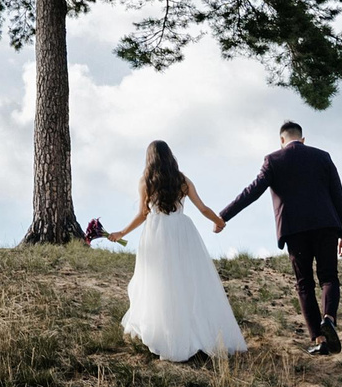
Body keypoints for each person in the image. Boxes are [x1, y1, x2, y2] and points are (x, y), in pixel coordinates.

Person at [104, 140, 247, 363]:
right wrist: (219, 222)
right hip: (182, 231)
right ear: (170, 156)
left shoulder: (146, 181)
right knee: (188, 280)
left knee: (159, 282)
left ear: (149, 158)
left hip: (157, 232)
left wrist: (121, 233)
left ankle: (167, 334)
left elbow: (143, 214)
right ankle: (194, 332)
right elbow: (203, 208)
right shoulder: (182, 180)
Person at [216, 120, 342, 355]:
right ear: (303, 139)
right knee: (329, 277)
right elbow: (338, 195)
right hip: (326, 226)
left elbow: (252, 192)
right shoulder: (323, 157)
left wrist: (224, 216)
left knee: (304, 284)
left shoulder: (273, 160)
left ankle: (319, 340)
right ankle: (329, 318)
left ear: (281, 140)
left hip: (294, 229)